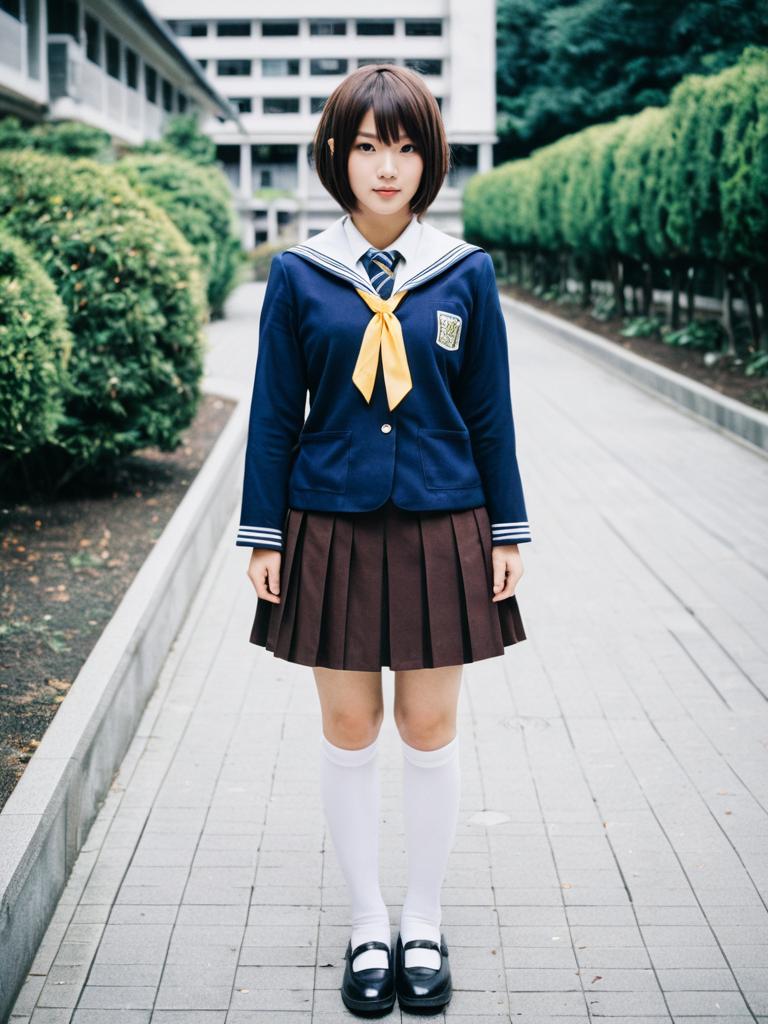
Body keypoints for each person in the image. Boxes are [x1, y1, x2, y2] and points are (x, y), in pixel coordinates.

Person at [237, 64, 532, 1017]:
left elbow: (492, 414)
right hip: (330, 523)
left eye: (404, 146)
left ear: (429, 157)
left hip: (448, 520)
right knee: (352, 727)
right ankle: (369, 922)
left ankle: (423, 915)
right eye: (367, 146)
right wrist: (264, 533)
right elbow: (276, 417)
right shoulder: (299, 274)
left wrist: (508, 528)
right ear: (337, 156)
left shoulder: (464, 273)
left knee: (429, 727)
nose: (387, 165)